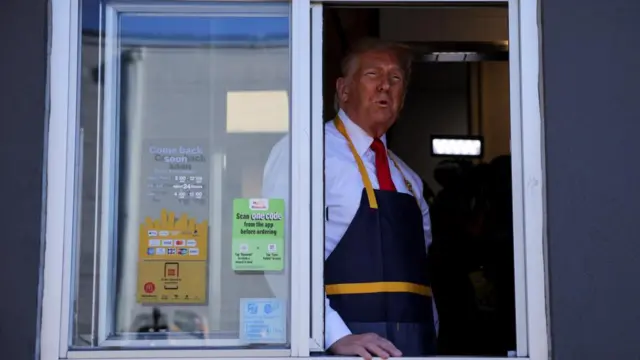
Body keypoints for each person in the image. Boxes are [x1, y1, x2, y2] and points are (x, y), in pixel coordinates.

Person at [262, 38, 437, 358]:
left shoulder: (409, 179)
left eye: (395, 78)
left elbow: (418, 269)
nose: (385, 86)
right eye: (373, 74)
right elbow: (275, 255)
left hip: (414, 349)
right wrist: (331, 335)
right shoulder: (306, 151)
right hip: (341, 350)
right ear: (343, 90)